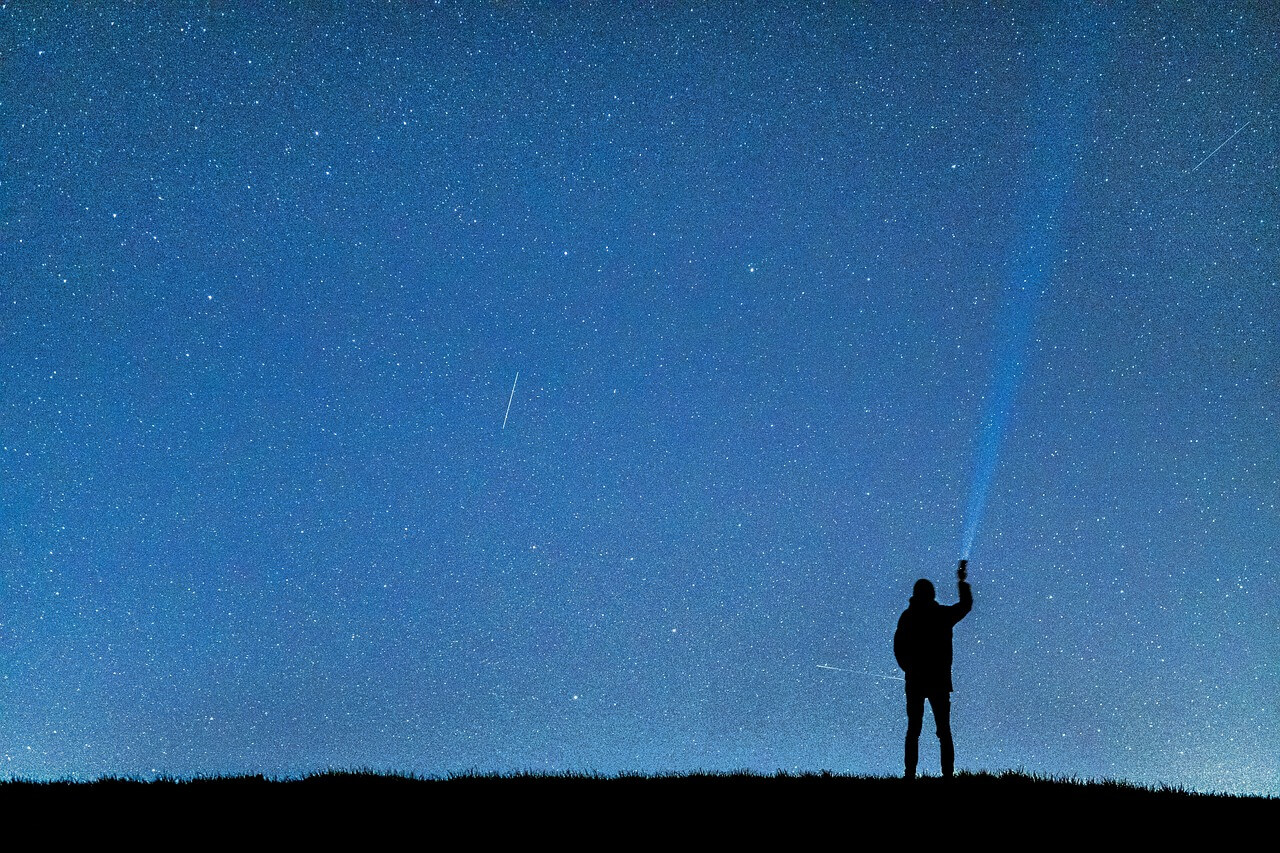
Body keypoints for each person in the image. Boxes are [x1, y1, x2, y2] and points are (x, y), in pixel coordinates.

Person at [893, 560, 973, 779]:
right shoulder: (940, 616)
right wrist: (962, 582)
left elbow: (898, 647)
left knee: (916, 730)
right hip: (935, 680)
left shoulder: (909, 617)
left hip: (917, 681)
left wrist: (909, 669)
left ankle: (911, 775)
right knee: (941, 731)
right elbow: (965, 606)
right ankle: (946, 775)